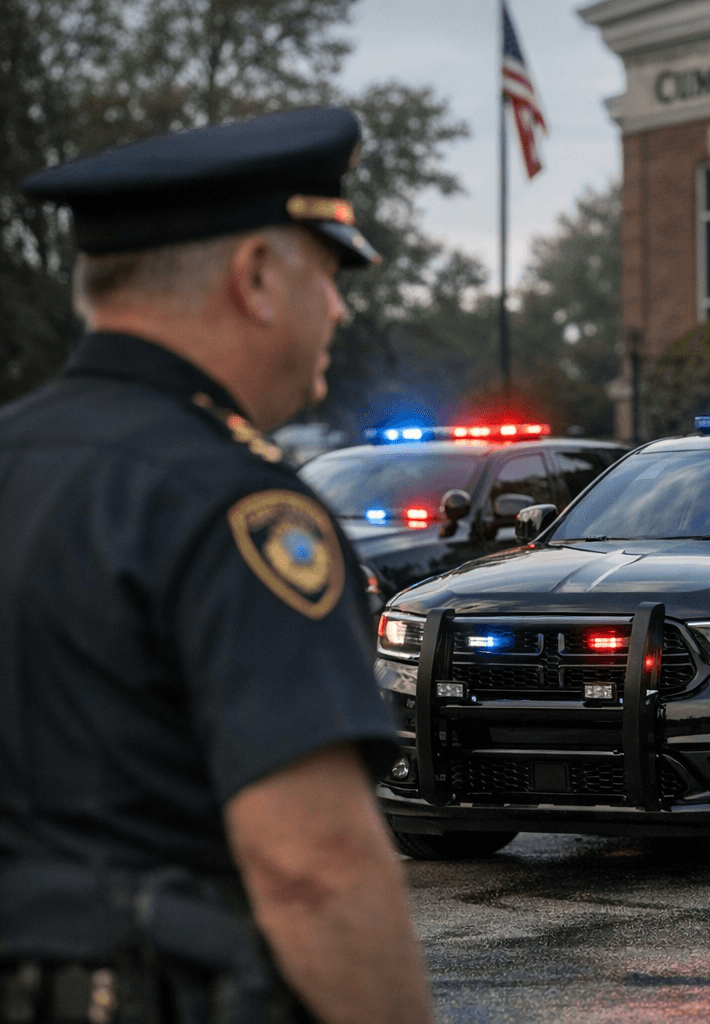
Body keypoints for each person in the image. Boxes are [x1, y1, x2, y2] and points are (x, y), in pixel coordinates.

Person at [1, 109, 432, 1024]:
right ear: (259, 278)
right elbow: (313, 867)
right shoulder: (235, 507)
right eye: (329, 272)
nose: (340, 308)